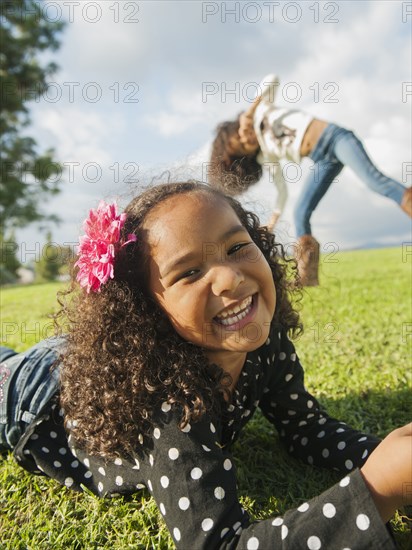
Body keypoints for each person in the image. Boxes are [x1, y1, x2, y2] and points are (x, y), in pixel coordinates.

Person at [1, 181, 411, 549]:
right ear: (147, 313)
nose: (230, 279)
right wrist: (376, 489)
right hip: (29, 399)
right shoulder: (168, 405)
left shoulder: (262, 339)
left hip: (67, 356)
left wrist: (386, 457)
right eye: (190, 271)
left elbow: (306, 428)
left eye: (236, 248)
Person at [209, 74, 412, 286]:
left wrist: (249, 114)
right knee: (300, 212)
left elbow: (272, 80)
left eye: (240, 136)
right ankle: (307, 276)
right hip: (323, 160)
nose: (245, 139)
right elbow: (282, 190)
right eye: (242, 146)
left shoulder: (262, 111)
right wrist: (273, 221)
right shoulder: (265, 155)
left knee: (375, 181)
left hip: (336, 138)